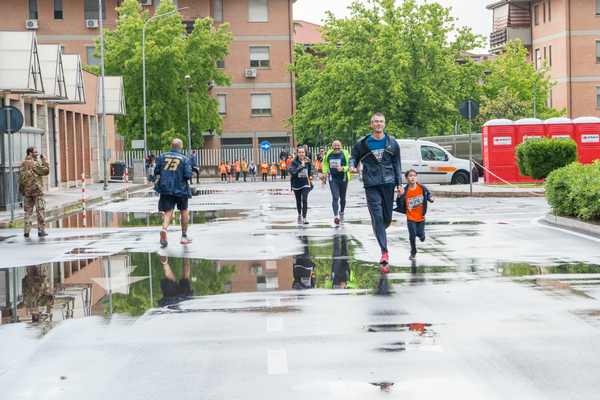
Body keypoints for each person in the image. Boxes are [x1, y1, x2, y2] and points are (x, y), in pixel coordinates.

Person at [350, 112, 402, 271]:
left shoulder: (392, 143)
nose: (378, 124)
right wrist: (353, 165)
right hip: (371, 183)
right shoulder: (363, 143)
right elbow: (354, 156)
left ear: (384, 124)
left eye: (381, 121)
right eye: (375, 122)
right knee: (378, 216)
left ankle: (379, 227)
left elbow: (397, 164)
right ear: (371, 124)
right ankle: (384, 252)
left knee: (386, 218)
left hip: (388, 183)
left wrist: (399, 184)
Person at [154, 138, 193, 248]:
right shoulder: (184, 159)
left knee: (168, 211)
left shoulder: (162, 157)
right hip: (181, 189)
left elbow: (156, 171)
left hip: (166, 188)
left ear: (171, 146)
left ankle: (164, 229)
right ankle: (184, 236)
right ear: (180, 147)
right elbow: (188, 175)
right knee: (184, 210)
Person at [395, 169, 434, 261]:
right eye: (410, 176)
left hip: (421, 217)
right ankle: (413, 251)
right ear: (407, 178)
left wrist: (430, 198)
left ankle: (422, 236)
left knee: (420, 235)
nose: (412, 177)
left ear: (416, 177)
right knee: (412, 235)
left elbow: (428, 194)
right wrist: (399, 196)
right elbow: (399, 203)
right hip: (410, 217)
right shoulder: (404, 190)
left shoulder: (421, 187)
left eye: (414, 176)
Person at [19, 146, 50, 238]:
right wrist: (45, 161)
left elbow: (20, 179)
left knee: (27, 212)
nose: (37, 153)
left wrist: (22, 191)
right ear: (30, 153)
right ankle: (41, 230)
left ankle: (26, 231)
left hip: (27, 192)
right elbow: (45, 171)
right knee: (40, 210)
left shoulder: (23, 163)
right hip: (37, 191)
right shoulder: (35, 163)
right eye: (35, 152)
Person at [322, 140, 351, 226]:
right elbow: (325, 164)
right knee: (335, 197)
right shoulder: (328, 154)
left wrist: (343, 168)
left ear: (341, 146)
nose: (336, 147)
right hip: (333, 178)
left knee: (343, 198)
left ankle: (341, 211)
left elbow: (350, 165)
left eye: (338, 145)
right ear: (332, 146)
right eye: (335, 146)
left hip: (343, 178)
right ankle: (336, 216)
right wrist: (325, 172)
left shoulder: (345, 153)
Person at [289, 146, 313, 225]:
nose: (301, 154)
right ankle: (299, 213)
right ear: (297, 153)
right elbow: (293, 173)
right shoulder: (294, 162)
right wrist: (301, 166)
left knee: (305, 199)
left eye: (303, 152)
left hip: (305, 183)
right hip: (296, 183)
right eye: (300, 152)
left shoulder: (308, 161)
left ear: (305, 153)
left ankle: (304, 217)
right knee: (298, 200)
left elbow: (310, 170)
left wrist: (310, 176)